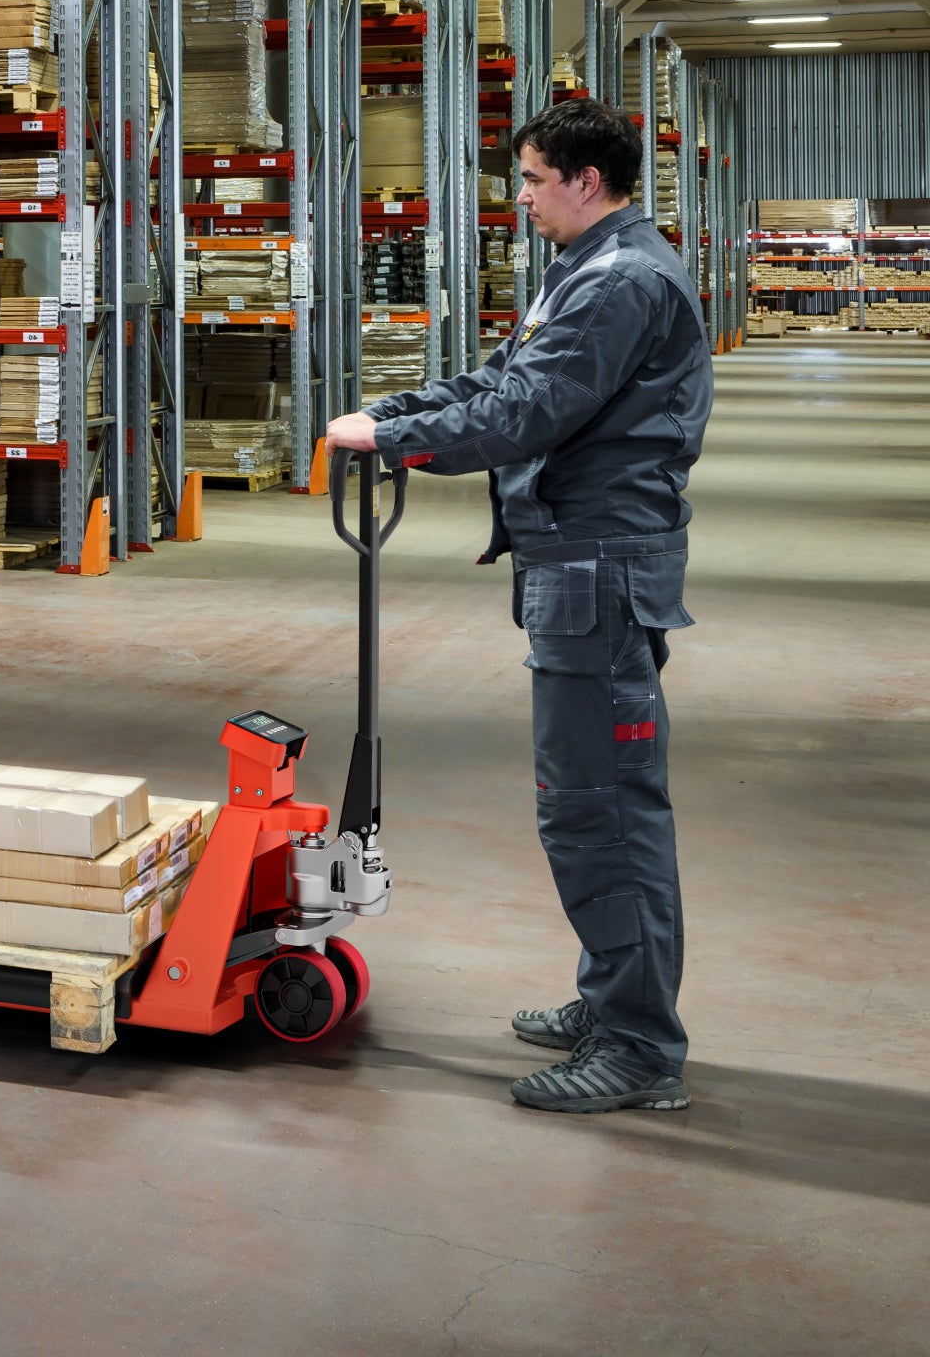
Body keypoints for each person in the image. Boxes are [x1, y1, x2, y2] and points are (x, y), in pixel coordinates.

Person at [326, 98, 711, 1114]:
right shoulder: (583, 269)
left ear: (586, 180)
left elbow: (527, 412)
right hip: (574, 560)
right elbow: (502, 377)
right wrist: (392, 412)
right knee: (590, 801)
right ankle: (612, 995)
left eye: (534, 180)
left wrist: (398, 443)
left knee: (598, 808)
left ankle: (636, 1046)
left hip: (597, 565)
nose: (523, 199)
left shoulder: (620, 280)